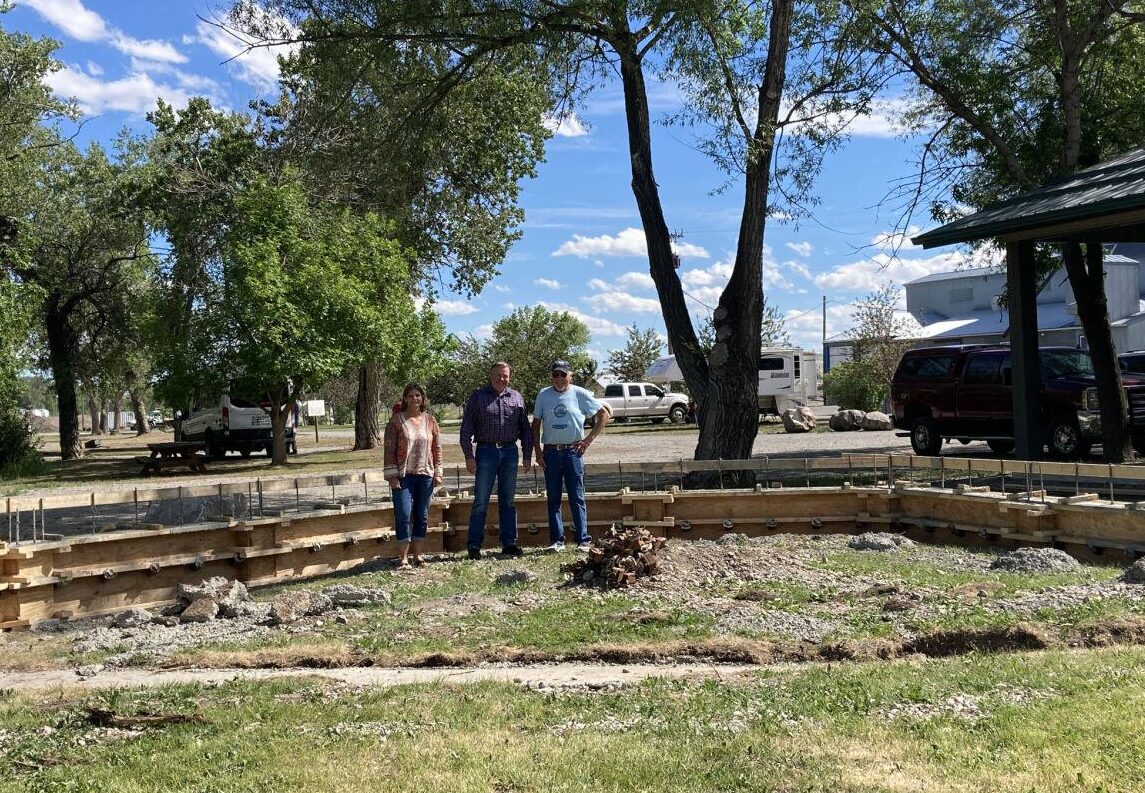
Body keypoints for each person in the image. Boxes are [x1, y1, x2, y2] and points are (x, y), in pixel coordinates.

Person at [531, 360, 610, 552]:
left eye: (563, 375)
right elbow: (535, 425)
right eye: (556, 374)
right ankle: (557, 541)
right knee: (553, 498)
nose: (559, 379)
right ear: (552, 376)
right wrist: (538, 452)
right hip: (550, 452)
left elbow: (603, 415)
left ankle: (583, 539)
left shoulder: (580, 393)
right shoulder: (544, 395)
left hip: (573, 452)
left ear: (570, 376)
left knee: (577, 496)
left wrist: (588, 440)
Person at [459, 361, 534, 559]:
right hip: (486, 452)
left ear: (510, 377)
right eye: (498, 375)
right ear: (491, 377)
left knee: (508, 501)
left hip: (510, 452)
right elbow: (465, 430)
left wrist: (527, 455)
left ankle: (509, 543)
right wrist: (468, 456)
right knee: (481, 500)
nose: (502, 379)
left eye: (506, 376)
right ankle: (474, 546)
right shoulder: (477, 397)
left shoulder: (517, 397)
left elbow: (525, 430)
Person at [383, 383, 443, 568]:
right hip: (404, 476)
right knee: (403, 514)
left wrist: (438, 471)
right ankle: (403, 557)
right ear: (405, 399)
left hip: (425, 474)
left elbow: (437, 448)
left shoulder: (431, 421)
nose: (414, 399)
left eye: (418, 395)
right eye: (410, 396)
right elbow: (389, 450)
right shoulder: (396, 421)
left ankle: (418, 555)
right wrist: (392, 476)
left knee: (422, 515)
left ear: (423, 399)